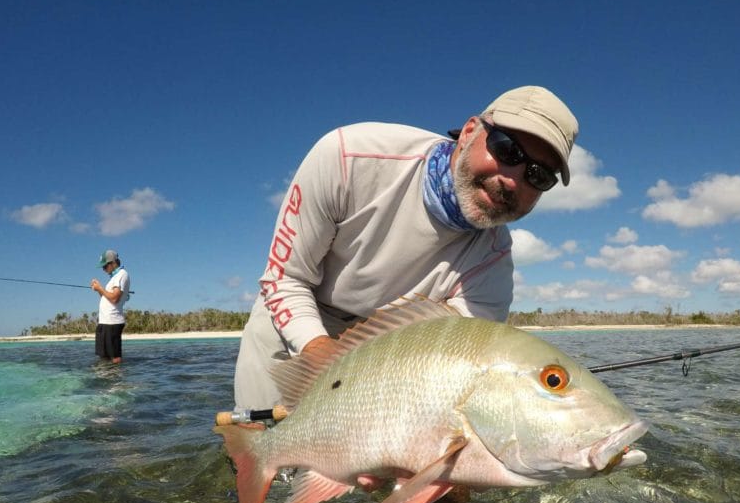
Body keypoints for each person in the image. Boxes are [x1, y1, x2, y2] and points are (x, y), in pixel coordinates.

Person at [234, 85, 578, 411]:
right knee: (259, 455)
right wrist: (327, 362)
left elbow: (446, 365)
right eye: (507, 150)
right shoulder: (347, 157)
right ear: (471, 130)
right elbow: (285, 280)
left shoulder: (493, 265)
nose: (512, 180)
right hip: (294, 319)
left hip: (391, 355)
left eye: (538, 175)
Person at [91, 249, 130, 363]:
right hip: (104, 322)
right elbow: (107, 298)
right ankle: (106, 379)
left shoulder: (122, 274)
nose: (103, 269)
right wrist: (98, 290)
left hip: (112, 322)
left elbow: (114, 298)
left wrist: (100, 288)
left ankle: (116, 380)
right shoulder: (114, 277)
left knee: (115, 357)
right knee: (103, 356)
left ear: (112, 263)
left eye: (105, 266)